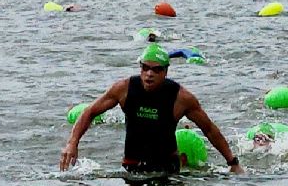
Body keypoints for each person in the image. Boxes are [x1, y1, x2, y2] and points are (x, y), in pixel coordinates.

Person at [60, 44, 243, 174]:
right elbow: (90, 112)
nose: (149, 74)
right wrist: (72, 143)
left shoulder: (181, 98)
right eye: (145, 68)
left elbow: (209, 129)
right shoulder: (124, 89)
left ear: (165, 71)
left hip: (166, 169)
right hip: (132, 166)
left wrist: (232, 162)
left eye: (156, 70)